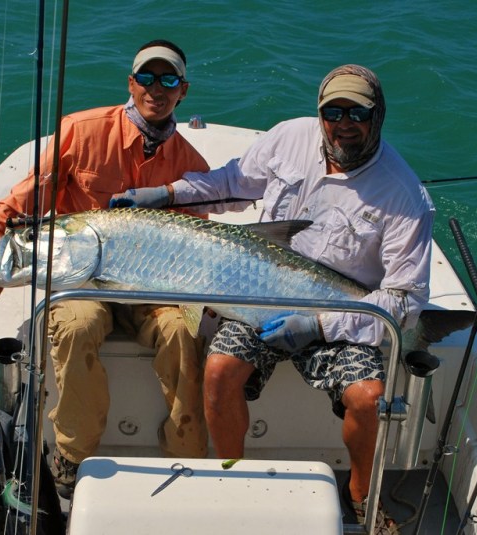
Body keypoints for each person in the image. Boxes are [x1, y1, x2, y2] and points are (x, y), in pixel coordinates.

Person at [111, 64, 433, 533]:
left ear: (378, 115)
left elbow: (404, 300)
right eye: (332, 111)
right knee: (220, 370)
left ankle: (361, 494)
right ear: (319, 113)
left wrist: (319, 325)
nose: (344, 123)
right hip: (259, 295)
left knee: (369, 397)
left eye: (357, 112)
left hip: (342, 318)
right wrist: (166, 194)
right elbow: (229, 185)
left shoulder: (405, 195)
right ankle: (232, 479)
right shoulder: (290, 138)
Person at [0, 39, 211, 497]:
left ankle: (186, 456)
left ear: (183, 90)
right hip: (81, 280)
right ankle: (73, 455)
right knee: (79, 326)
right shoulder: (80, 132)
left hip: (153, 290)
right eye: (145, 77)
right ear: (130, 83)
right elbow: (24, 199)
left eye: (167, 80)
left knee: (183, 332)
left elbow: (196, 244)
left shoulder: (191, 167)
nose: (154, 89)